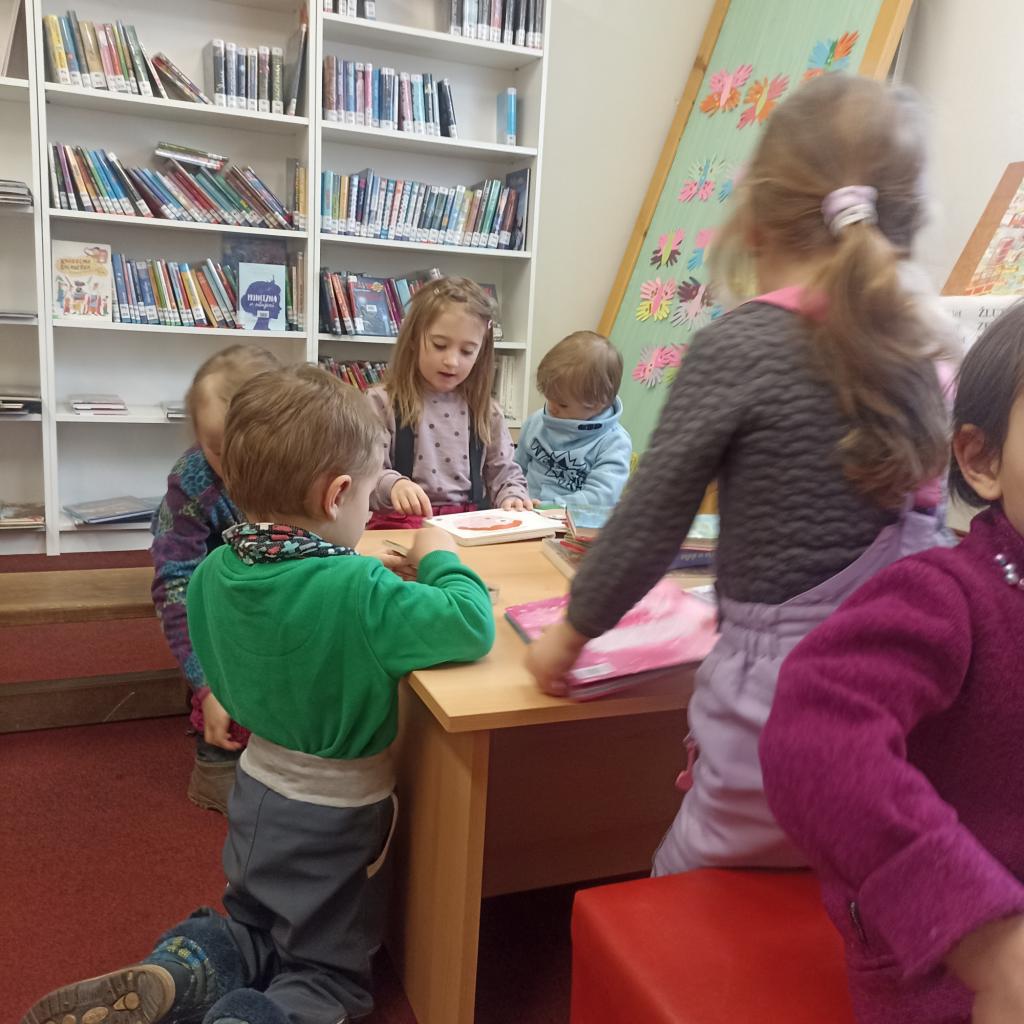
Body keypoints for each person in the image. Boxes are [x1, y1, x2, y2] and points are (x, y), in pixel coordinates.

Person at [525, 73, 954, 875]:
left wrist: (570, 633)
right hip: (915, 685)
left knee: (691, 879)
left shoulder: (741, 346)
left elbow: (649, 520)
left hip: (783, 704)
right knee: (851, 869)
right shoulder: (924, 349)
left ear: (754, 224)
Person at [22, 366, 495, 1024]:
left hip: (255, 791)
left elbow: (270, 619)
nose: (368, 512)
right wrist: (439, 553)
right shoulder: (361, 592)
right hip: (337, 815)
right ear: (336, 494)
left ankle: (184, 967)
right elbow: (471, 623)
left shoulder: (216, 570)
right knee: (325, 972)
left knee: (253, 921)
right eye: (366, 496)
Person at [760, 306, 1024, 1024]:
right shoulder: (945, 595)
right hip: (952, 958)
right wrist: (987, 941)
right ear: (983, 460)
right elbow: (813, 740)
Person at [151, 344, 282, 814]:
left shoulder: (293, 463)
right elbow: (176, 589)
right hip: (215, 596)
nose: (234, 466)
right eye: (219, 449)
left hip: (271, 581)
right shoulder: (193, 482)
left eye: (250, 451)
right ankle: (215, 761)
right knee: (226, 651)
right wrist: (205, 685)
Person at [367, 275, 531, 528]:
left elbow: (505, 472)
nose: (452, 361)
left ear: (481, 353)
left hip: (468, 524)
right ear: (414, 339)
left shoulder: (487, 411)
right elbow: (364, 474)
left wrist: (513, 496)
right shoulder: (381, 403)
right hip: (400, 525)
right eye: (440, 345)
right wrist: (394, 485)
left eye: (467, 351)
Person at [514, 330, 632, 506]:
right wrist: (513, 495)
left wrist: (551, 507)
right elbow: (515, 470)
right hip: (527, 512)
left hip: (575, 518)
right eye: (548, 397)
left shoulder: (614, 442)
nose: (551, 407)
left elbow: (600, 497)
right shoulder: (536, 423)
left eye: (562, 404)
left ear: (597, 404)